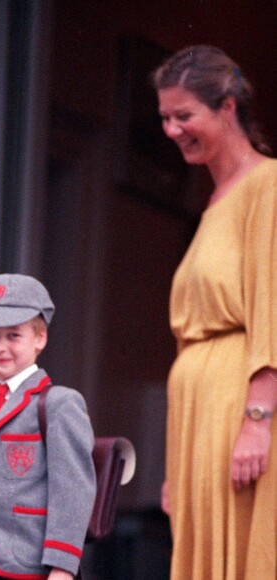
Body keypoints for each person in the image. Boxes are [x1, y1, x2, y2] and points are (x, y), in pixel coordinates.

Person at [153, 45, 276, 579]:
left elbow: (271, 307)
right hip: (197, 417)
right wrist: (175, 463)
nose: (173, 129)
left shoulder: (267, 186)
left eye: (184, 116)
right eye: (164, 118)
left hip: (236, 407)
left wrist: (258, 419)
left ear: (226, 108)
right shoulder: (214, 199)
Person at [0, 274, 96, 580]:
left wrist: (62, 569)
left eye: (14, 336)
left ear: (40, 339)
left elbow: (72, 493)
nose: (0, 346)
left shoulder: (58, 405)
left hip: (27, 565)